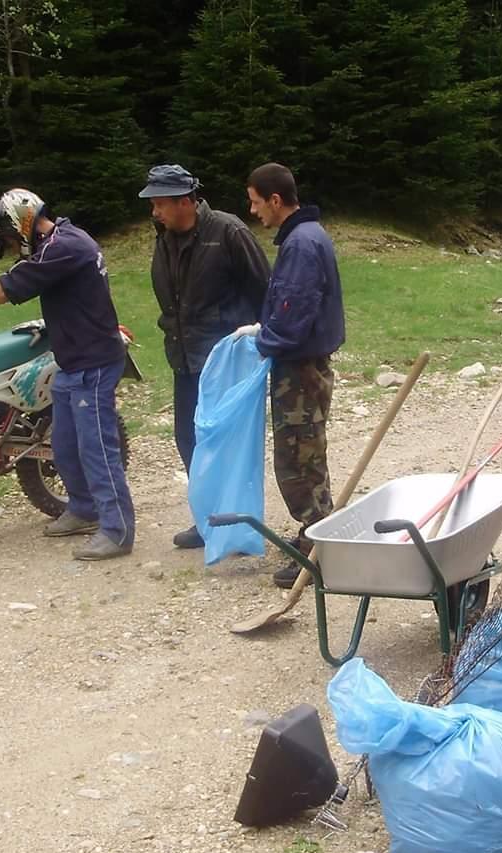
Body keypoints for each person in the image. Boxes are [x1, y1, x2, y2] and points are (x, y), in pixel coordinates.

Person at [0, 188, 136, 561]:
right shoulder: (59, 242)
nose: (11, 242)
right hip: (71, 360)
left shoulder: (63, 247)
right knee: (63, 446)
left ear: (23, 220)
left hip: (92, 363)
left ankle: (118, 530)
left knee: (96, 449)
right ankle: (84, 510)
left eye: (9, 235)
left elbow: (6, 290)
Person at [139, 163, 271, 549]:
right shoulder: (164, 237)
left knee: (226, 445)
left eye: (160, 204)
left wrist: (259, 346)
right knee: (188, 438)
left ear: (185, 202)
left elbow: (264, 290)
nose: (155, 212)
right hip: (184, 355)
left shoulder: (228, 232)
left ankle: (234, 527)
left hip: (226, 359)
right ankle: (207, 520)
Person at [239, 162, 345, 588]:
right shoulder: (305, 237)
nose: (253, 211)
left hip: (299, 371)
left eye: (256, 202)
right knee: (307, 454)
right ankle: (320, 536)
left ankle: (317, 549)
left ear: (276, 200)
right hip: (302, 365)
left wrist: (263, 340)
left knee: (298, 459)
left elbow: (293, 311)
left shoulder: (301, 244)